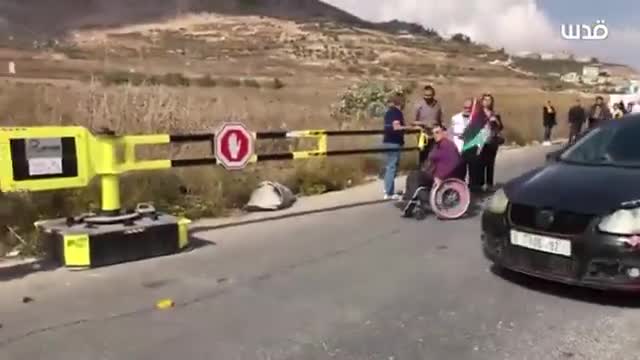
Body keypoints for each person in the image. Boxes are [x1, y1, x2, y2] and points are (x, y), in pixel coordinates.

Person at [382, 93, 414, 200]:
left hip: (388, 141)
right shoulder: (396, 113)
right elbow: (396, 127)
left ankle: (388, 189)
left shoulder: (388, 112)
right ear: (401, 102)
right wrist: (408, 128)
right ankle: (389, 192)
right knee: (392, 166)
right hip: (394, 142)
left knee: (390, 166)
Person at [413, 85, 443, 166]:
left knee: (434, 155)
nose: (427, 97)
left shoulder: (437, 105)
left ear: (433, 95)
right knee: (422, 155)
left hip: (435, 135)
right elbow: (413, 122)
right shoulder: (418, 105)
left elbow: (440, 120)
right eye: (425, 95)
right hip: (422, 135)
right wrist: (424, 124)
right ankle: (422, 173)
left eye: (429, 95)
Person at [478, 94, 504, 192]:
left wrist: (495, 120)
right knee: (480, 163)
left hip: (492, 141)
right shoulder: (478, 113)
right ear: (482, 101)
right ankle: (480, 184)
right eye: (486, 100)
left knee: (490, 163)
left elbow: (501, 127)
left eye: (490, 100)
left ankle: (489, 184)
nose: (488, 102)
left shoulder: (495, 114)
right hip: (481, 141)